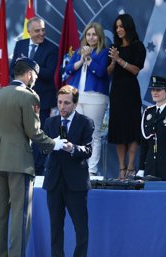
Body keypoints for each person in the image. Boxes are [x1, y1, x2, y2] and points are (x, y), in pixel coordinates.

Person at [0, 58, 67, 257]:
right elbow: (34, 132)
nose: (35, 81)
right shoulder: (29, 96)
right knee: (20, 216)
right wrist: (55, 144)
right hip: (19, 162)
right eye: (35, 76)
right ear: (29, 74)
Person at [42, 85, 94, 257]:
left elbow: (88, 151)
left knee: (80, 225)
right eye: (59, 102)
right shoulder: (50, 122)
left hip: (76, 182)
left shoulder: (85, 123)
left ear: (75, 104)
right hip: (54, 180)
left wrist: (73, 148)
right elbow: (42, 149)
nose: (62, 106)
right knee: (56, 225)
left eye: (66, 103)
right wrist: (49, 146)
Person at [10, 16, 59, 176]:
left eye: (43, 30)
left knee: (39, 134)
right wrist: (26, 67)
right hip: (20, 98)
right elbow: (13, 70)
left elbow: (48, 73)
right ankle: (20, 166)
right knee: (20, 133)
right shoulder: (20, 45)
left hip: (42, 100)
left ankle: (38, 171)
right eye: (37, 30)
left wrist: (26, 63)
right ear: (29, 31)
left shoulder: (52, 48)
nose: (41, 33)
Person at [65, 22, 109, 176]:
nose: (91, 37)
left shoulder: (104, 52)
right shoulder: (78, 52)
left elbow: (101, 72)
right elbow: (69, 69)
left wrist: (89, 59)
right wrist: (82, 58)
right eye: (88, 34)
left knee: (94, 133)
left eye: (94, 34)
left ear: (99, 37)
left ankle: (92, 170)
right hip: (77, 95)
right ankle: (78, 166)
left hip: (96, 97)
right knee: (76, 132)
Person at [107, 13, 146, 179]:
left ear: (128, 27)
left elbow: (136, 70)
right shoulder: (114, 47)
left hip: (130, 91)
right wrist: (114, 61)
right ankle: (121, 169)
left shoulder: (138, 46)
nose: (118, 30)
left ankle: (131, 166)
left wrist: (120, 60)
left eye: (121, 26)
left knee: (132, 128)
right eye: (116, 27)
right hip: (116, 91)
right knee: (119, 129)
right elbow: (109, 72)